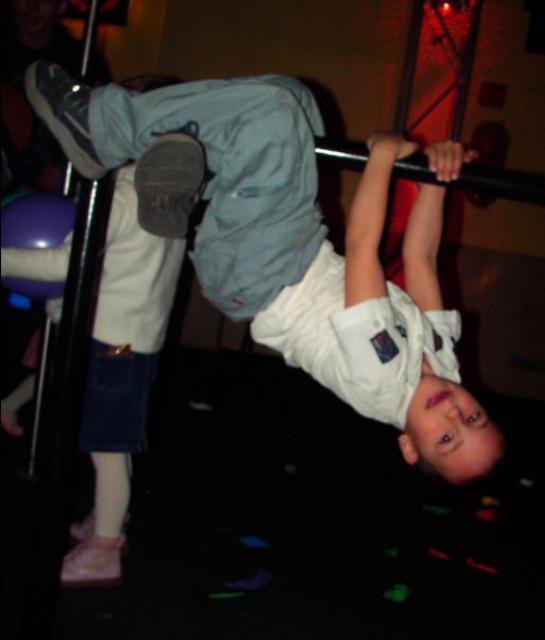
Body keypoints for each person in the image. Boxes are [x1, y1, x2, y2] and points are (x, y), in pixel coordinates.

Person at [24, 60, 505, 487]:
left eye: (445, 438)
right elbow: (421, 257)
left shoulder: (381, 380)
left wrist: (381, 157)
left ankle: (99, 129)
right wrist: (437, 178)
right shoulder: (444, 364)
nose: (453, 413)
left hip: (259, 273)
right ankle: (185, 188)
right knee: (295, 102)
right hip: (292, 249)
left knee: (274, 114)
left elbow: (363, 249)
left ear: (409, 447)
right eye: (474, 417)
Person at [1, 163, 187, 587]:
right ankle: (107, 518)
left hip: (112, 336)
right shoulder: (167, 190)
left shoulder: (121, 196)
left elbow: (67, 263)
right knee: (110, 439)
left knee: (107, 447)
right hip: (132, 334)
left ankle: (105, 548)